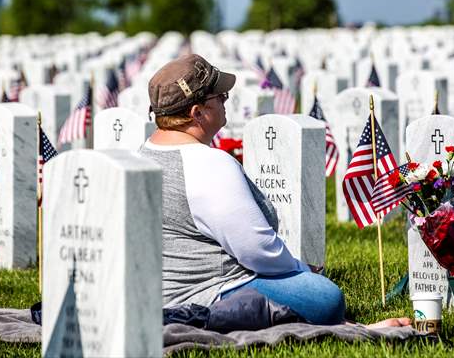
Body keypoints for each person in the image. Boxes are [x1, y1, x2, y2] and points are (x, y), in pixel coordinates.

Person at [140, 54, 410, 328]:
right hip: (211, 294)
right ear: (197, 113)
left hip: (155, 295)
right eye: (220, 96)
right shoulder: (207, 163)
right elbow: (256, 250)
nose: (226, 101)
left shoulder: (142, 155)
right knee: (324, 296)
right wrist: (301, 269)